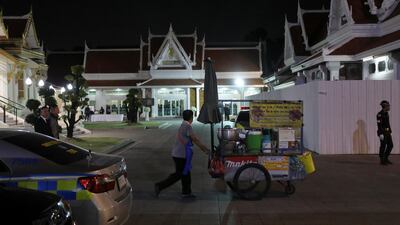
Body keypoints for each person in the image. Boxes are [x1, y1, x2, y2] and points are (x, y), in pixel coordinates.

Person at [154, 110, 209, 199]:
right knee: (179, 174)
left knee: (185, 173)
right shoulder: (187, 126)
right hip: (180, 155)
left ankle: (186, 192)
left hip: (178, 154)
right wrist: (204, 149)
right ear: (191, 117)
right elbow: (195, 139)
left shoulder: (183, 124)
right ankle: (160, 186)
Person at [377, 100, 393, 165]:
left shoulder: (386, 113)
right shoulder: (379, 114)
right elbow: (379, 125)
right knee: (383, 146)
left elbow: (387, 123)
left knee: (390, 145)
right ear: (384, 106)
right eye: (388, 106)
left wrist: (390, 130)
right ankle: (382, 160)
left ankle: (385, 158)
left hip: (387, 132)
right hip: (382, 132)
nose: (389, 107)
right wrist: (380, 134)